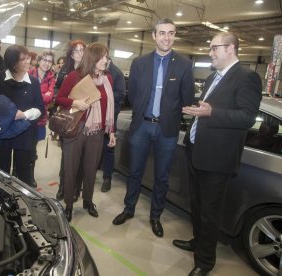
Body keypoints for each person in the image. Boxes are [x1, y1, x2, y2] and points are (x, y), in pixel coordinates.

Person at [173, 32, 262, 276]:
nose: (210, 53)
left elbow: (247, 117)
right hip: (197, 152)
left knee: (210, 214)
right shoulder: (214, 76)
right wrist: (197, 111)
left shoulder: (247, 77)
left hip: (217, 159)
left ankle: (204, 262)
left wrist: (212, 112)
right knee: (198, 206)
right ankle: (197, 242)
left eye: (214, 48)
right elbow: (207, 111)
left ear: (231, 48)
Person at [112, 18, 195, 239]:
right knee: (135, 172)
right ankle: (129, 209)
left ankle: (155, 216)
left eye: (171, 33)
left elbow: (187, 99)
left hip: (167, 130)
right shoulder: (140, 62)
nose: (167, 37)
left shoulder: (185, 64)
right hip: (142, 126)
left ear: (174, 35)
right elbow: (133, 93)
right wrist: (141, 111)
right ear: (154, 36)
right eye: (162, 33)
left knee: (162, 176)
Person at [56, 42, 116, 222]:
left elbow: (109, 108)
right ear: (94, 58)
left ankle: (88, 201)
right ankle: (68, 204)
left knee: (91, 169)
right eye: (103, 57)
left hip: (97, 131)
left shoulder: (108, 79)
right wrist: (75, 103)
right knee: (71, 168)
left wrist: (111, 132)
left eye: (107, 56)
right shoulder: (75, 76)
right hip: (76, 128)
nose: (106, 60)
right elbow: (59, 98)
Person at [0, 44, 44, 186]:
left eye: (28, 58)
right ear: (12, 62)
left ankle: (22, 202)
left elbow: (40, 108)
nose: (28, 62)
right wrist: (6, 114)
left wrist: (24, 115)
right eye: (23, 59)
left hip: (25, 133)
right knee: (0, 172)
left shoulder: (33, 82)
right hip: (2, 134)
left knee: (24, 175)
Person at [55, 40, 86, 201]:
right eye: (75, 51)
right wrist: (72, 102)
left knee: (80, 158)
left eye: (82, 50)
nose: (79, 53)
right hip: (67, 118)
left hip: (83, 120)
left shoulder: (88, 71)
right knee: (66, 157)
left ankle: (76, 189)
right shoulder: (65, 71)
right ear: (71, 53)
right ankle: (63, 187)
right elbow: (58, 96)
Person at [28, 51, 56, 186]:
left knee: (33, 148)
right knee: (22, 146)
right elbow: (26, 95)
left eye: (50, 61)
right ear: (39, 61)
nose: (46, 63)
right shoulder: (29, 73)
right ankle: (16, 171)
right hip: (26, 117)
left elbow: (49, 98)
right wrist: (43, 94)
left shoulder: (51, 78)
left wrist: (37, 95)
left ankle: (30, 175)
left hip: (40, 119)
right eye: (44, 60)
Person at [100, 57, 126, 192]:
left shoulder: (117, 73)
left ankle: (107, 177)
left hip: (110, 115)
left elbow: (121, 94)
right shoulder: (97, 69)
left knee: (109, 146)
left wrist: (103, 96)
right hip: (96, 114)